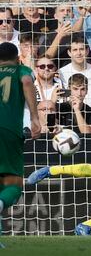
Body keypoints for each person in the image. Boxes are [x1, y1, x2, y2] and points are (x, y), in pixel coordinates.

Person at [0, 42, 40, 235]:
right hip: (7, 130)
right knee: (14, 183)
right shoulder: (20, 69)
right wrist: (34, 117)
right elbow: (26, 81)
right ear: (17, 58)